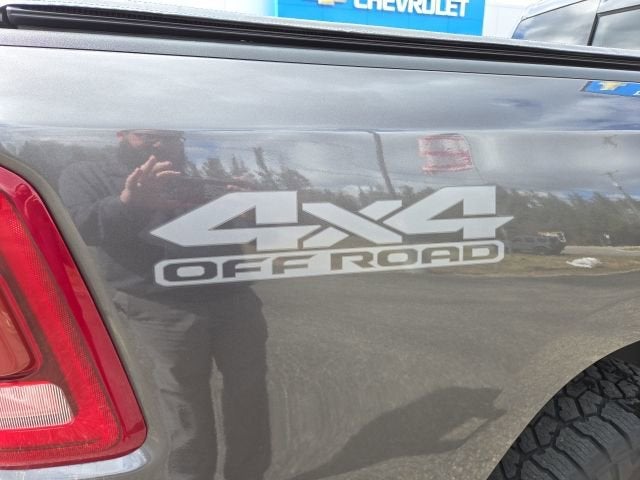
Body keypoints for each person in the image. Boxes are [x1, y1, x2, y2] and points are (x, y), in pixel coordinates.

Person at [58, 130, 271, 480]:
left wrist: (252, 212)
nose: (160, 144)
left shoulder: (202, 173)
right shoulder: (87, 173)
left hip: (233, 295)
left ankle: (248, 474)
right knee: (183, 401)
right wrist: (128, 203)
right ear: (122, 133)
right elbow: (80, 228)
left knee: (250, 391)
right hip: (157, 303)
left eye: (171, 136)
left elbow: (252, 233)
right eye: (148, 135)